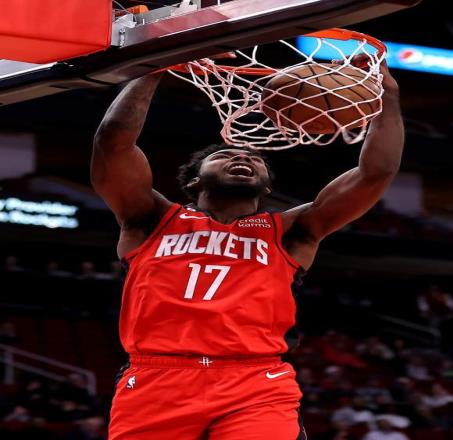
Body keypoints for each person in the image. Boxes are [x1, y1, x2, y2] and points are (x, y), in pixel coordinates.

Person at [91, 59, 404, 440]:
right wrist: (154, 68)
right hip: (157, 378)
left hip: (255, 381)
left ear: (267, 187)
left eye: (254, 159)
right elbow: (113, 142)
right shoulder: (149, 218)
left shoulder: (291, 231)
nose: (242, 157)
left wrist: (387, 95)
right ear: (194, 180)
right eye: (224, 156)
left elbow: (375, 173)